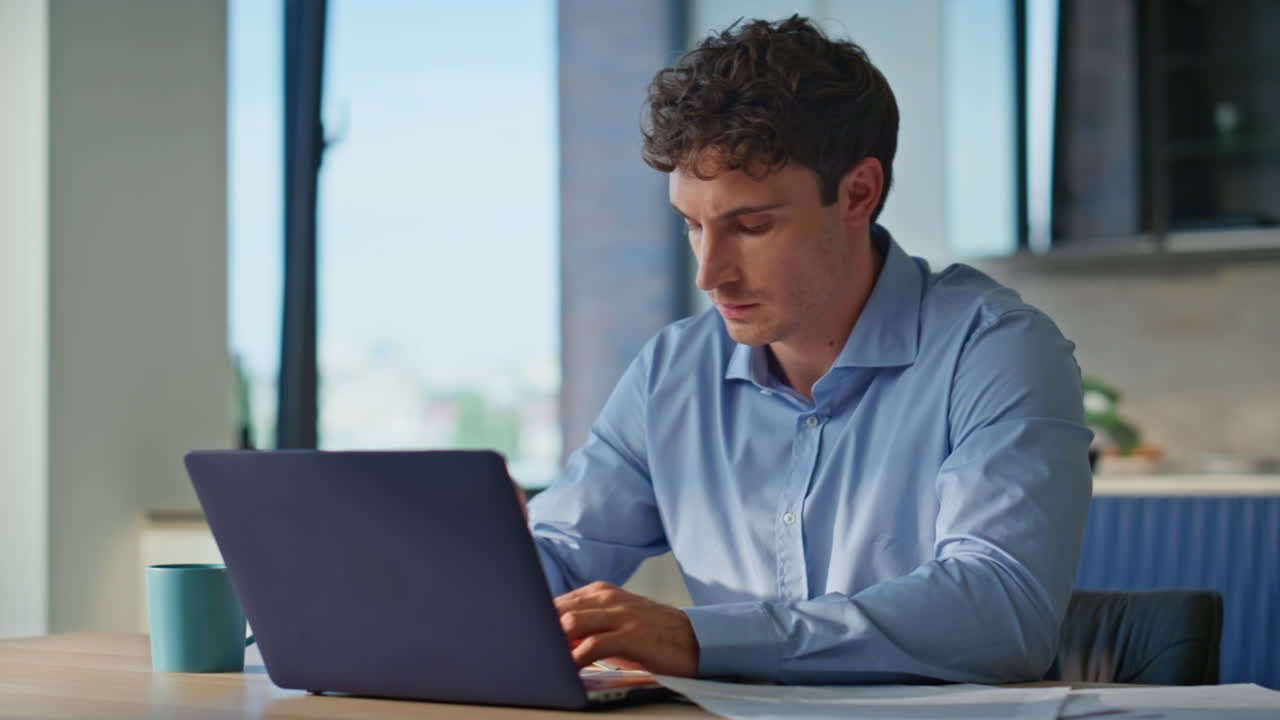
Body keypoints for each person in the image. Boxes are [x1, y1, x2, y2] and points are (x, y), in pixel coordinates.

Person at [526, 15, 1092, 685]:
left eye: (751, 225)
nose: (710, 274)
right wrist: (477, 574)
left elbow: (1002, 611)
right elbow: (558, 552)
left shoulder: (997, 352)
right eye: (693, 227)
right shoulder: (672, 373)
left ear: (857, 193)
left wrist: (697, 638)